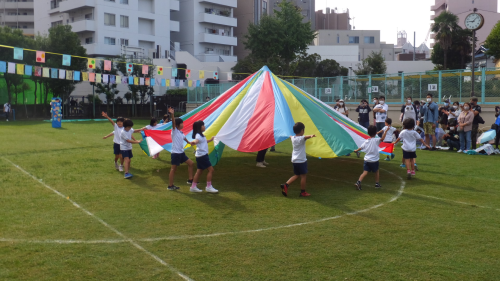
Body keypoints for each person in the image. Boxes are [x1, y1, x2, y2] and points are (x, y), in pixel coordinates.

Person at [280, 122, 316, 197]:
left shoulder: (293, 138)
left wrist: (288, 134)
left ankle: (286, 185)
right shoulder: (301, 138)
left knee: (297, 175)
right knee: (303, 176)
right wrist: (311, 135)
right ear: (302, 130)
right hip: (301, 161)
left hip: (294, 160)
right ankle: (303, 192)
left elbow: (290, 136)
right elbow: (305, 137)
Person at [353, 125, 390, 190]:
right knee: (376, 171)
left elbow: (361, 147)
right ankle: (377, 183)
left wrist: (356, 150)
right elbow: (382, 139)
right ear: (376, 132)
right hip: (374, 160)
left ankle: (358, 182)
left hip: (367, 160)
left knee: (365, 172)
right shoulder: (376, 140)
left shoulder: (366, 141)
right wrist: (386, 131)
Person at [168, 108, 195, 191]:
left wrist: (190, 142)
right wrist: (172, 115)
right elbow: (173, 123)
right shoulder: (174, 131)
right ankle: (170, 185)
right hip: (175, 154)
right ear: (177, 125)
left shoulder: (180, 132)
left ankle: (190, 180)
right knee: (173, 169)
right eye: (181, 123)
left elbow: (184, 138)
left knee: (191, 163)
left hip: (181, 153)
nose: (183, 125)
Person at [190, 120, 218, 193]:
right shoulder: (198, 135)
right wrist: (194, 142)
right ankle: (209, 187)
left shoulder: (201, 135)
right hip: (202, 156)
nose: (204, 126)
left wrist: (210, 140)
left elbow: (203, 141)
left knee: (199, 171)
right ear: (200, 127)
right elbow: (197, 141)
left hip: (200, 156)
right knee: (211, 170)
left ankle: (193, 187)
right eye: (203, 125)